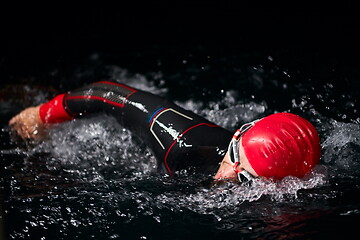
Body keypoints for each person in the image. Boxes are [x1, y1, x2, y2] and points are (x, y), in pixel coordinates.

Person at [8, 80, 321, 183]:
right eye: (234, 156)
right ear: (237, 135)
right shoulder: (183, 140)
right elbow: (104, 94)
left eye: (245, 179)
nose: (231, 172)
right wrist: (41, 115)